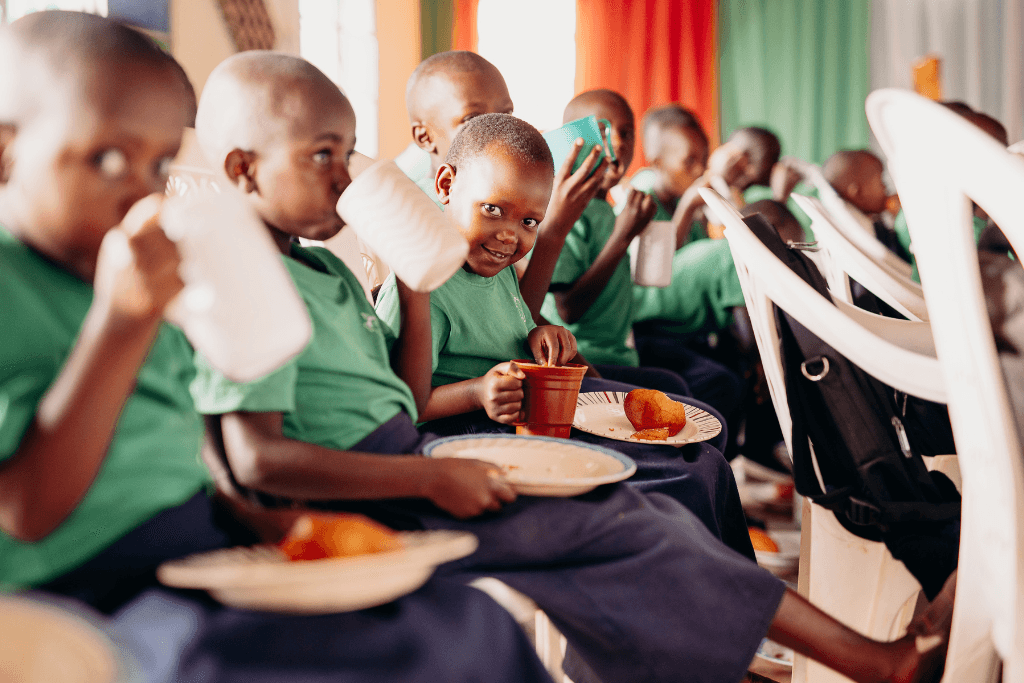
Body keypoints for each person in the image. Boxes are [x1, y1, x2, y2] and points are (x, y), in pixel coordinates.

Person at [0, 13, 559, 683]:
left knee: (471, 622)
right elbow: (25, 510)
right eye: (109, 158)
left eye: (158, 164)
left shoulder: (134, 273)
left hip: (203, 545)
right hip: (93, 589)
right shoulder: (32, 284)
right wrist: (121, 323)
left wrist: (265, 526)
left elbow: (193, 446)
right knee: (413, 654)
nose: (141, 192)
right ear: (6, 150)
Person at [404, 50, 607, 318]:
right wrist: (553, 231)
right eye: (472, 118)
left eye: (507, 114)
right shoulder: (427, 215)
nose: (498, 128)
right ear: (425, 137)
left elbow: (513, 308)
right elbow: (514, 320)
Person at [822, 149, 907, 258]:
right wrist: (901, 214)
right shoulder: (875, 238)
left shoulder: (874, 225)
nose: (885, 186)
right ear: (858, 193)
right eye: (880, 179)